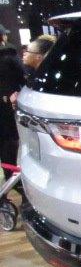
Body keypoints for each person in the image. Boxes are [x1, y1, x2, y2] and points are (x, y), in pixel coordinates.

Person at [0, 42, 24, 183]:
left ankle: (10, 178)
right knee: (9, 143)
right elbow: (22, 77)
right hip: (6, 108)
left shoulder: (7, 57)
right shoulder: (9, 56)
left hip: (5, 106)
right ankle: (12, 179)